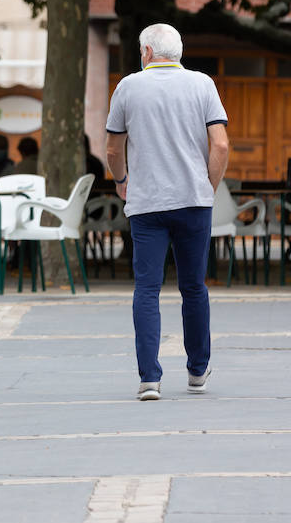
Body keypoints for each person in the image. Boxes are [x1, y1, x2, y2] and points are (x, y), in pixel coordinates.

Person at [105, 23, 229, 402]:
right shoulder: (203, 84)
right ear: (179, 52)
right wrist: (207, 186)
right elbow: (220, 144)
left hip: (147, 204)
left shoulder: (128, 86)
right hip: (193, 201)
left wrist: (121, 180)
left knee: (146, 289)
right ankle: (197, 371)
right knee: (194, 287)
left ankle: (149, 379)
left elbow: (112, 149)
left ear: (146, 52)